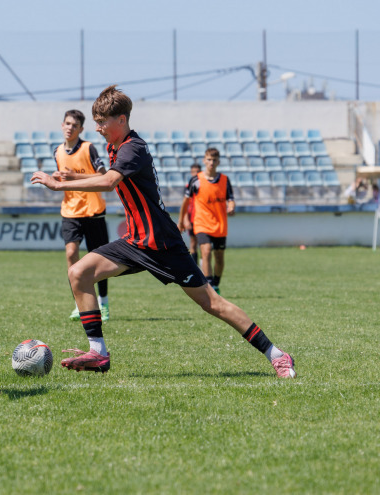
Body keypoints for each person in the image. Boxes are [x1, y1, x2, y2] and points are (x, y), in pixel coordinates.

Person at [30, 86, 295, 379]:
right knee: (78, 272)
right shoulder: (115, 146)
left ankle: (278, 355)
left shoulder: (133, 147)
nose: (98, 127)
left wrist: (59, 185)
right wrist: (75, 176)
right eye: (96, 121)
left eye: (103, 121)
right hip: (136, 242)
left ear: (121, 119)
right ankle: (98, 353)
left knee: (213, 304)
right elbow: (108, 175)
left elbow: (109, 182)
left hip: (164, 244)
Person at [52, 109, 110, 322]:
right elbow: (63, 181)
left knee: (100, 261)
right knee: (71, 254)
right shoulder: (57, 151)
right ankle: (79, 304)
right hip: (70, 211)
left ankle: (103, 304)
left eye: (74, 125)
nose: (70, 128)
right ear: (62, 125)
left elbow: (104, 177)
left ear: (81, 129)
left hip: (93, 211)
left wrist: (73, 175)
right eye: (67, 123)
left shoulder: (88, 148)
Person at [177, 150, 235, 294]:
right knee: (206, 251)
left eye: (214, 160)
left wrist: (232, 206)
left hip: (220, 225)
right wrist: (181, 221)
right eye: (209, 159)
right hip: (201, 223)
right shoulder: (195, 180)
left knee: (219, 257)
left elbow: (231, 199)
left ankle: (216, 283)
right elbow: (185, 202)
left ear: (218, 162)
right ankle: (209, 286)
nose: (211, 163)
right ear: (204, 161)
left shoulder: (225, 180)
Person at [182, 163, 202, 264]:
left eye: (197, 172)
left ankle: (204, 268)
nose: (195, 174)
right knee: (193, 243)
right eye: (193, 172)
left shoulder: (204, 185)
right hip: (192, 218)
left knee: (204, 244)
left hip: (203, 219)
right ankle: (196, 267)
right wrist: (186, 220)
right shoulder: (188, 187)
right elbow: (185, 205)